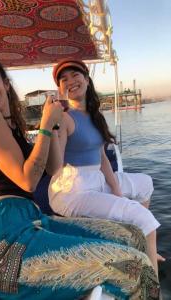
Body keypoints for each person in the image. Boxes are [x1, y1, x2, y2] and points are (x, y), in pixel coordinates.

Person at [0, 55, 160, 300]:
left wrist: (54, 126)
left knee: (132, 235)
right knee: (137, 267)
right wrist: (46, 123)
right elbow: (28, 181)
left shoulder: (12, 125)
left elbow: (53, 168)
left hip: (34, 220)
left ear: (6, 83)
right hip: (4, 244)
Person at [48, 58, 164, 276]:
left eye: (75, 75)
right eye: (63, 79)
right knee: (144, 218)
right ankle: (152, 285)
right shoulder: (64, 119)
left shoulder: (95, 116)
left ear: (86, 80)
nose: (70, 81)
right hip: (72, 189)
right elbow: (55, 167)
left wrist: (118, 193)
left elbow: (102, 159)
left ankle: (145, 246)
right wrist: (52, 128)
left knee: (146, 184)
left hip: (96, 179)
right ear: (60, 89)